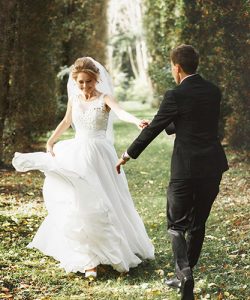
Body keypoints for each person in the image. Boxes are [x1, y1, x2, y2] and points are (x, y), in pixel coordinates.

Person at [12, 57, 154, 279]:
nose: (85, 86)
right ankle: (88, 259)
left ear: (96, 80)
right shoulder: (74, 98)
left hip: (99, 156)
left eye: (89, 81)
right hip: (77, 153)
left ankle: (113, 249)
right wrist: (50, 141)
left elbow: (120, 112)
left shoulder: (104, 98)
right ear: (75, 81)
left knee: (104, 200)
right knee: (80, 202)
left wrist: (136, 121)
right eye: (80, 82)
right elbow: (67, 121)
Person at [116, 45, 228, 300]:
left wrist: (126, 155)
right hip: (213, 165)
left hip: (186, 170)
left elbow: (154, 129)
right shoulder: (213, 91)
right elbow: (197, 120)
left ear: (176, 67)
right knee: (198, 222)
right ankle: (184, 275)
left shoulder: (175, 95)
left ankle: (185, 275)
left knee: (176, 224)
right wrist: (167, 123)